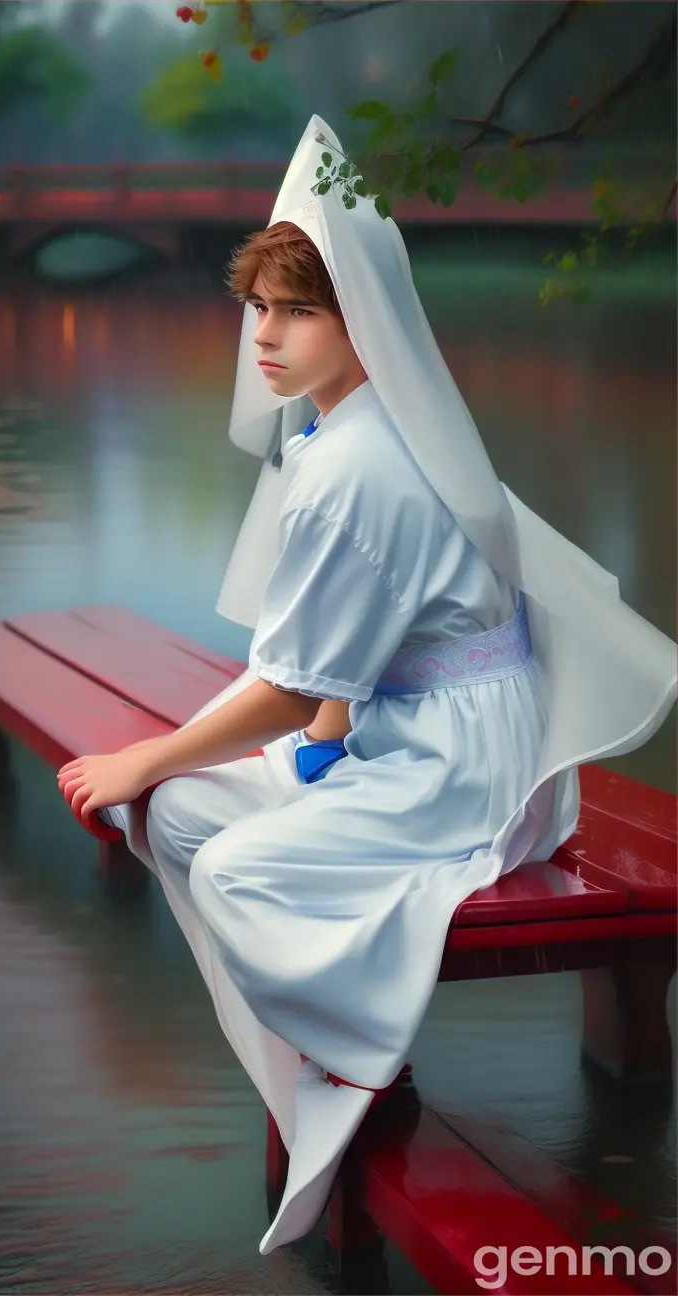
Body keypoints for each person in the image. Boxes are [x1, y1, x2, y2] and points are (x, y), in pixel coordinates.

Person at [58, 116, 677, 1256]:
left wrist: (146, 753)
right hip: (410, 722)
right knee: (181, 815)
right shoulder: (350, 428)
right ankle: (323, 1024)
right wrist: (278, 742)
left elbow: (294, 690)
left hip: (465, 765)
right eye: (258, 307)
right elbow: (353, 653)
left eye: (299, 309)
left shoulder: (358, 467)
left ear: (362, 319)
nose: (268, 336)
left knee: (223, 855)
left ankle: (351, 1056)